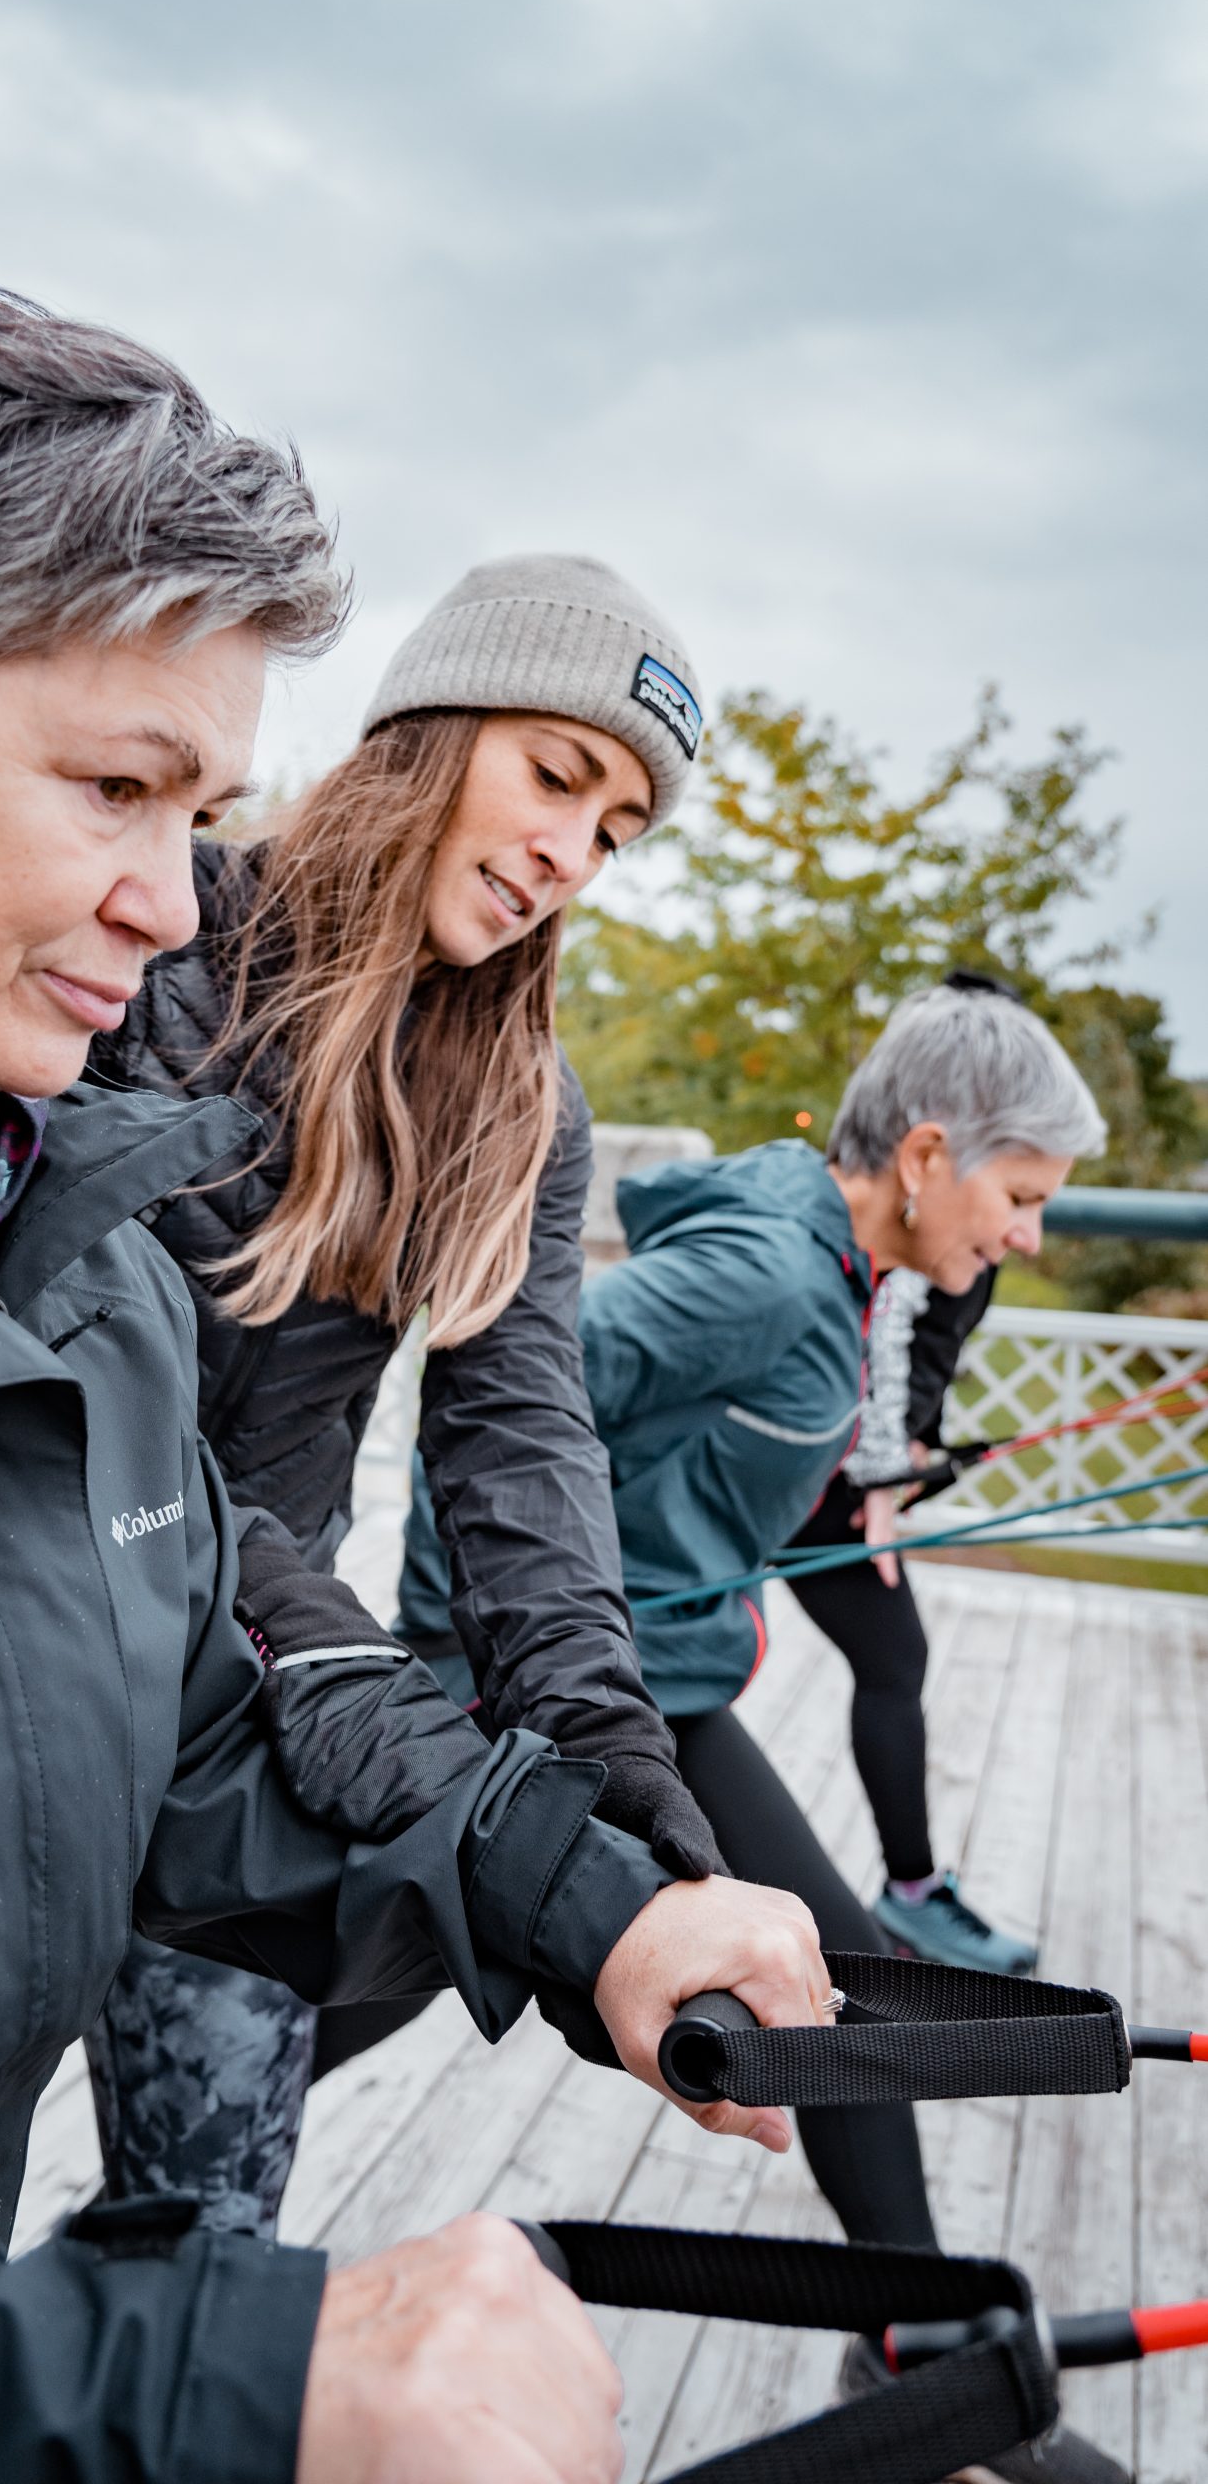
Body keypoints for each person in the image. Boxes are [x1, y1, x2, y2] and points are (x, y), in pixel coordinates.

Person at [0, 281, 833, 2484]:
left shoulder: (63, 1245)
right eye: (118, 787)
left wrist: (599, 1876)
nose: (153, 899)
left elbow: (221, 1647)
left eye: (196, 799)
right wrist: (201, 2375)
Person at [84, 553, 740, 2235]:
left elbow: (520, 1437)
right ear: (427, 734)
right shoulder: (146, 952)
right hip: (16, 1638)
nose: (566, 854)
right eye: (552, 776)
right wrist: (365, 1695)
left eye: (612, 829)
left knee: (202, 2255)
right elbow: (111, 1431)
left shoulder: (519, 1105)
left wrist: (604, 1742)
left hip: (227, 1745)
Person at [401, 985, 1121, 2483]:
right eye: (1020, 1196)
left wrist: (823, 1503)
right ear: (924, 1155)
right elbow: (504, 1403)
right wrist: (446, 1661)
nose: (1029, 1238)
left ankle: (910, 2336)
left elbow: (683, 1450)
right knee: (828, 1977)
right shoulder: (764, 1275)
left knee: (375, 1961)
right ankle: (919, 2344)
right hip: (580, 1691)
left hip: (647, 1680)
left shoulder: (838, 1272)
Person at [784, 972, 1033, 1973]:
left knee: (892, 1659)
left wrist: (915, 1456)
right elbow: (876, 1322)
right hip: (813, 1471)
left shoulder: (982, 1206)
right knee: (890, 1660)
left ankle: (913, 1888)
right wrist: (885, 1475)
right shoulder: (893, 1192)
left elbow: (922, 1358)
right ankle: (912, 1892)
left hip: (857, 1466)